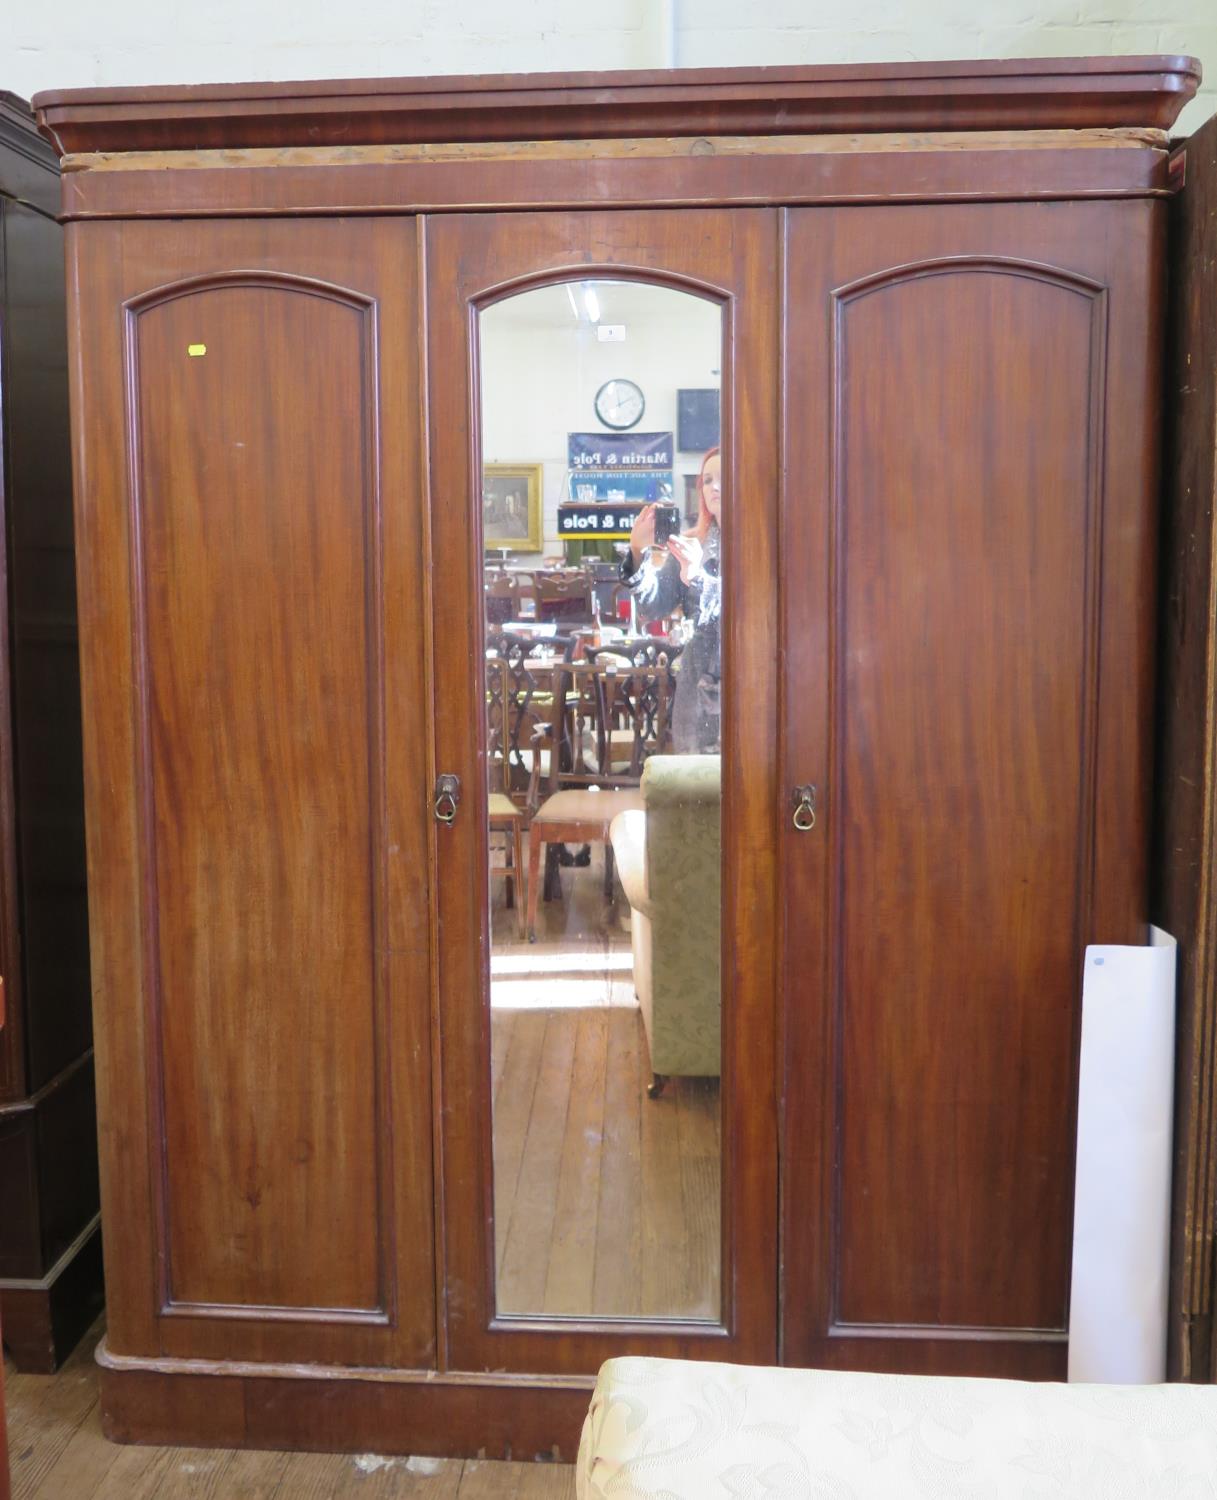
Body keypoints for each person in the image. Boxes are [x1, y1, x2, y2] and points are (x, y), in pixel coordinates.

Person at [618, 447, 722, 754]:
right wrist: (638, 552)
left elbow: (755, 611)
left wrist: (698, 575)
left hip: (751, 677)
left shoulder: (765, 542)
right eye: (707, 480)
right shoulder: (693, 543)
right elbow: (655, 605)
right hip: (698, 682)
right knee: (692, 787)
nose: (714, 487)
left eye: (724, 478)